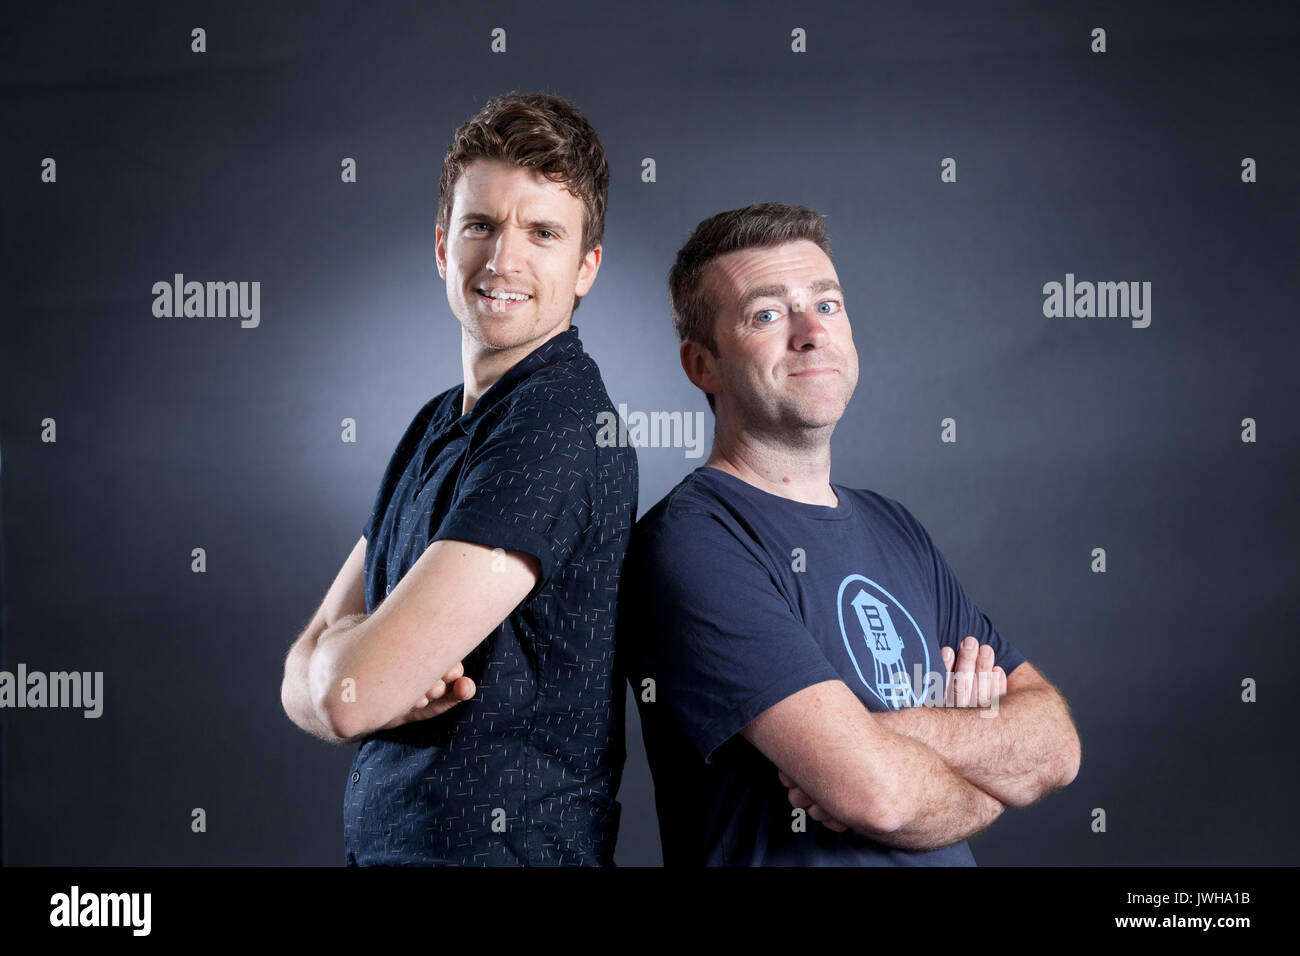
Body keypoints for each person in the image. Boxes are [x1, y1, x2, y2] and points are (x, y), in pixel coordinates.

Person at [618, 202, 1080, 865]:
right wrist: (985, 767)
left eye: (827, 305)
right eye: (767, 314)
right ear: (702, 366)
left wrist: (883, 738)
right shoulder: (692, 543)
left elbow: (1056, 746)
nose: (810, 332)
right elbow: (879, 797)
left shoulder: (894, 527)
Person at [280, 91, 638, 866]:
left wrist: (345, 660)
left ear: (586, 269)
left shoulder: (556, 425)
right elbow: (301, 683)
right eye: (482, 226)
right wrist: (342, 663)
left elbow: (350, 700)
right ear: (443, 246)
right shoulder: (437, 424)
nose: (504, 260)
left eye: (543, 233)